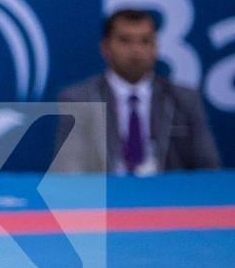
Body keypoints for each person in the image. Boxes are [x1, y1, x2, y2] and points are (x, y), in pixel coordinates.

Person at [52, 9, 221, 175]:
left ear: (155, 47)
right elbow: (67, 172)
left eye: (145, 41)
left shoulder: (184, 99)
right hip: (107, 198)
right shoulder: (80, 99)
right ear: (105, 47)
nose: (136, 50)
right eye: (125, 41)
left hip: (169, 198)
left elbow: (208, 170)